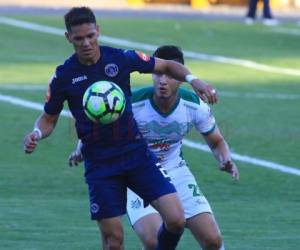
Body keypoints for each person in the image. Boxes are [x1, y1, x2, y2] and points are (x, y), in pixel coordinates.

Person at [23, 7, 218, 250]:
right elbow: (48, 119)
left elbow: (167, 65)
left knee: (176, 219)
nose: (86, 43)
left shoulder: (120, 59)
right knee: (114, 241)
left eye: (91, 36)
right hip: (101, 165)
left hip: (137, 156)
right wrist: (37, 133)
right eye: (79, 38)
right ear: (68, 38)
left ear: (98, 32)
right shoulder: (64, 76)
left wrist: (194, 80)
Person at [69, 45, 239, 250]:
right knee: (154, 241)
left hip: (176, 172)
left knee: (213, 240)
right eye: (158, 74)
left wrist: (225, 158)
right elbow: (101, 124)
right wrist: (81, 146)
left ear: (181, 76)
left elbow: (217, 141)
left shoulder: (194, 106)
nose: (163, 81)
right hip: (137, 172)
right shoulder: (132, 104)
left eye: (169, 75)